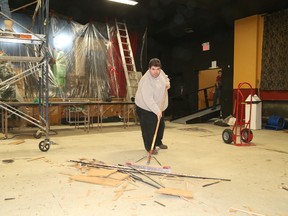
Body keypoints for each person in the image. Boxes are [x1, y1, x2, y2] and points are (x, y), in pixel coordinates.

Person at [135, 58, 170, 155]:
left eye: (158, 69)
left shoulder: (161, 72)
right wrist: (157, 111)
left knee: (160, 126)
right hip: (145, 108)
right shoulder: (146, 81)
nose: (156, 72)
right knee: (149, 129)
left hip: (159, 106)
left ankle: (158, 141)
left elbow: (166, 77)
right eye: (153, 69)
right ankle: (150, 146)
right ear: (149, 69)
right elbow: (148, 100)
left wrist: (167, 82)